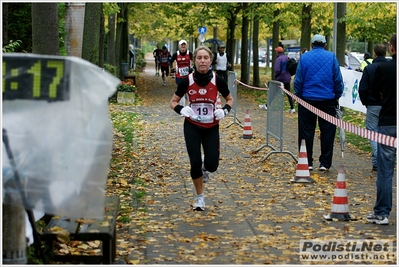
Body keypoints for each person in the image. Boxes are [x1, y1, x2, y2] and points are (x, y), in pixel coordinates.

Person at [169, 46, 234, 211]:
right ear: (194, 60)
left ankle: (206, 166)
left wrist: (224, 111)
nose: (203, 61)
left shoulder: (218, 80)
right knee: (195, 163)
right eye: (199, 58)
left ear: (211, 60)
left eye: (206, 58)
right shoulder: (187, 81)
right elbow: (173, 101)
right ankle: (199, 198)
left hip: (211, 126)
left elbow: (230, 99)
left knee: (212, 165)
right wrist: (181, 110)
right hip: (192, 126)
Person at [293, 34, 344, 171]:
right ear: (325, 44)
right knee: (327, 132)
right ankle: (325, 163)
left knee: (306, 131)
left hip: (307, 100)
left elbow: (298, 80)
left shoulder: (304, 57)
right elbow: (338, 79)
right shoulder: (332, 57)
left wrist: (298, 95)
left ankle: (307, 161)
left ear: (311, 44)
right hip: (327, 100)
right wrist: (336, 96)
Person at [366, 34, 396, 225]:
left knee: (385, 171)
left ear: (392, 48)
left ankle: (382, 213)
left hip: (389, 122)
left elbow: (373, 90)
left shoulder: (383, 68)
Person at [358, 44, 387, 171]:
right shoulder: (391, 68)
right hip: (388, 105)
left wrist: (366, 102)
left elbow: (363, 88)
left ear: (374, 54)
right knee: (384, 133)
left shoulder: (369, 69)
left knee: (372, 132)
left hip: (373, 105)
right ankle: (376, 162)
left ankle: (378, 158)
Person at [170, 40, 193, 106]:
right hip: (179, 76)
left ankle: (190, 106)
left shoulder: (189, 54)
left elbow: (196, 61)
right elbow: (170, 61)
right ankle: (183, 108)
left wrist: (193, 68)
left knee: (189, 91)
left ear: (186, 46)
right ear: (179, 46)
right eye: (182, 45)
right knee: (181, 92)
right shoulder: (176, 54)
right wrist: (172, 68)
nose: (183, 46)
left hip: (188, 76)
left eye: (184, 45)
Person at [274, 46, 295, 113]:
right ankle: (292, 108)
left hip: (280, 78)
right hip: (287, 78)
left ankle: (267, 105)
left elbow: (277, 70)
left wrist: (276, 76)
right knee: (288, 93)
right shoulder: (287, 58)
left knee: (273, 92)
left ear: (277, 52)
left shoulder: (278, 59)